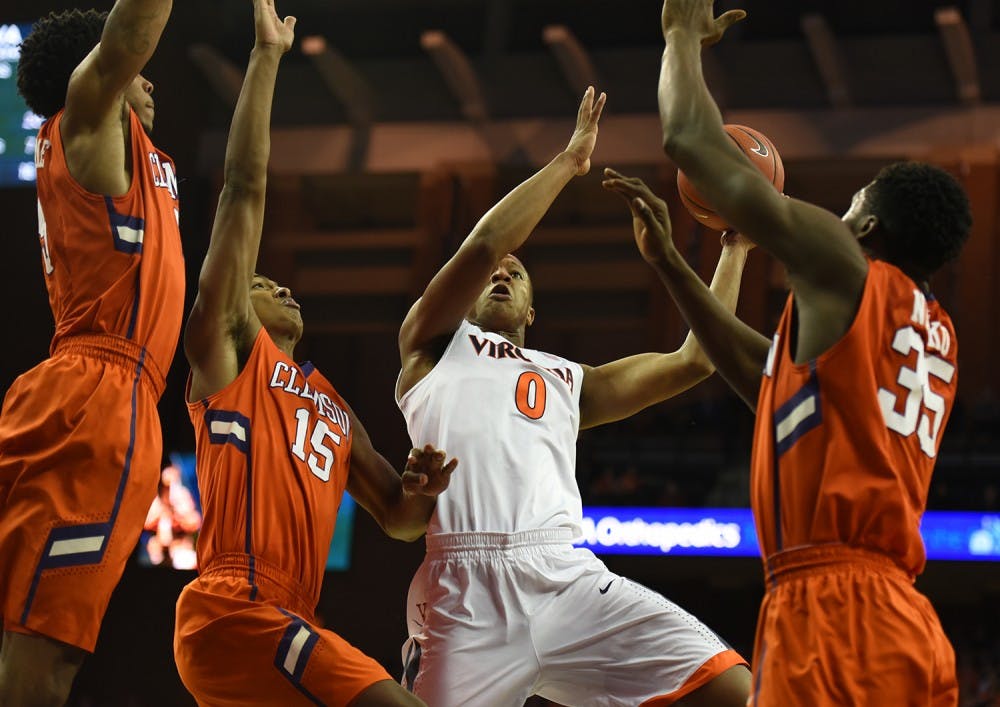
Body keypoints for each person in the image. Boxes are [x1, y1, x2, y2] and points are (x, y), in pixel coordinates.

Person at [604, 1, 973, 704]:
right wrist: (674, 270)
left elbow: (689, 141)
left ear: (864, 223)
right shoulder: (933, 332)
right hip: (901, 618)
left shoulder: (848, 265)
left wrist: (680, 36)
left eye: (846, 207)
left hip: (834, 611)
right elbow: (769, 381)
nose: (830, 218)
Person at [396, 86, 752, 707]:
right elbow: (482, 247)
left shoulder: (567, 378)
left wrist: (736, 247)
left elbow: (695, 359)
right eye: (494, 272)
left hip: (565, 577)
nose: (501, 271)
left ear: (533, 309)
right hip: (464, 586)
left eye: (517, 272)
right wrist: (570, 162)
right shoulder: (430, 346)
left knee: (732, 689)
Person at [173, 3, 454, 705]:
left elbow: (396, 515)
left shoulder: (330, 405)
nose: (283, 285)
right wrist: (267, 57)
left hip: (291, 611)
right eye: (264, 283)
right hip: (234, 602)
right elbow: (244, 187)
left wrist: (422, 489)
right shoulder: (229, 355)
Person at [0, 0, 181, 703]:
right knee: (49, 652)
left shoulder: (95, 144)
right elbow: (130, 31)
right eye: (142, 74)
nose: (150, 82)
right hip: (102, 398)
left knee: (22, 634)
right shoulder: (92, 113)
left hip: (60, 384)